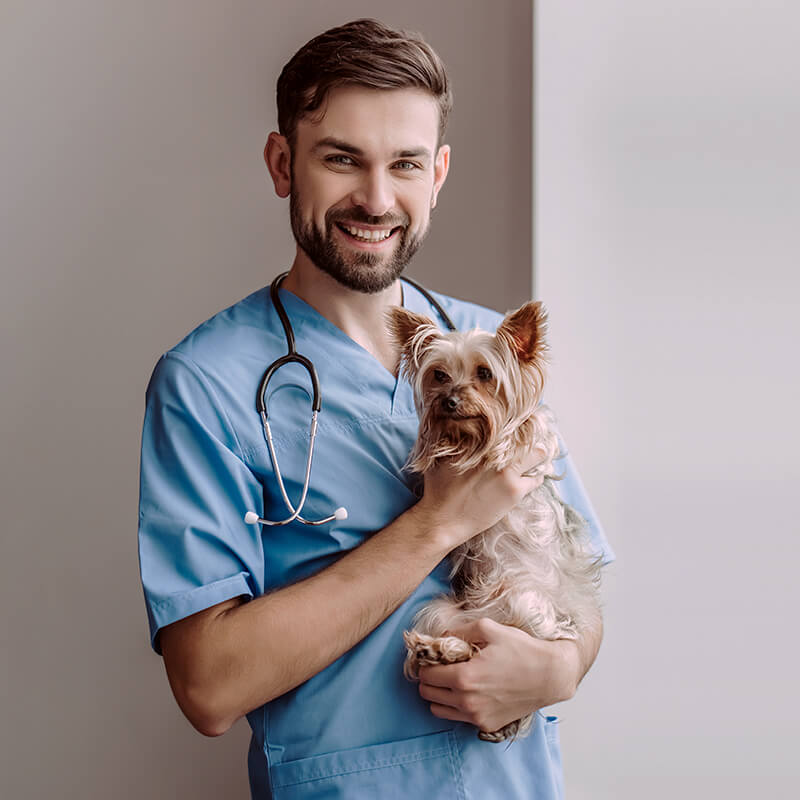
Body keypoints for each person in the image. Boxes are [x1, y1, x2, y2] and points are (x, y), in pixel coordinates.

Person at [138, 18, 614, 799]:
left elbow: (578, 580)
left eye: (405, 164)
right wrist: (441, 521)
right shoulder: (207, 384)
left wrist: (559, 668)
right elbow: (209, 687)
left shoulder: (492, 355)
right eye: (341, 159)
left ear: (438, 175)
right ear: (282, 163)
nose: (376, 197)